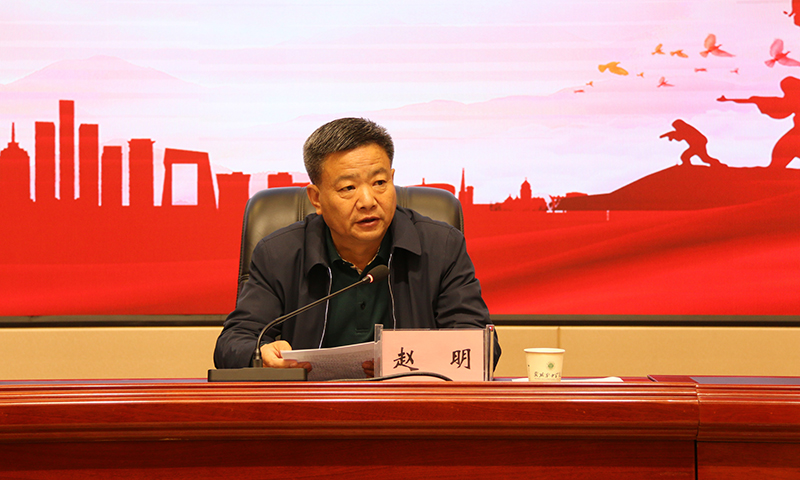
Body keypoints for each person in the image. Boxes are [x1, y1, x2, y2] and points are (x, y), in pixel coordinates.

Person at [214, 117, 501, 374]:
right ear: (316, 199)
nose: (368, 201)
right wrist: (260, 355)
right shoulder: (280, 253)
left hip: (408, 406)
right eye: (348, 188)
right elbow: (234, 342)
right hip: (309, 407)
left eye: (379, 182)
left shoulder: (440, 247)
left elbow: (480, 345)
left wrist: (407, 361)